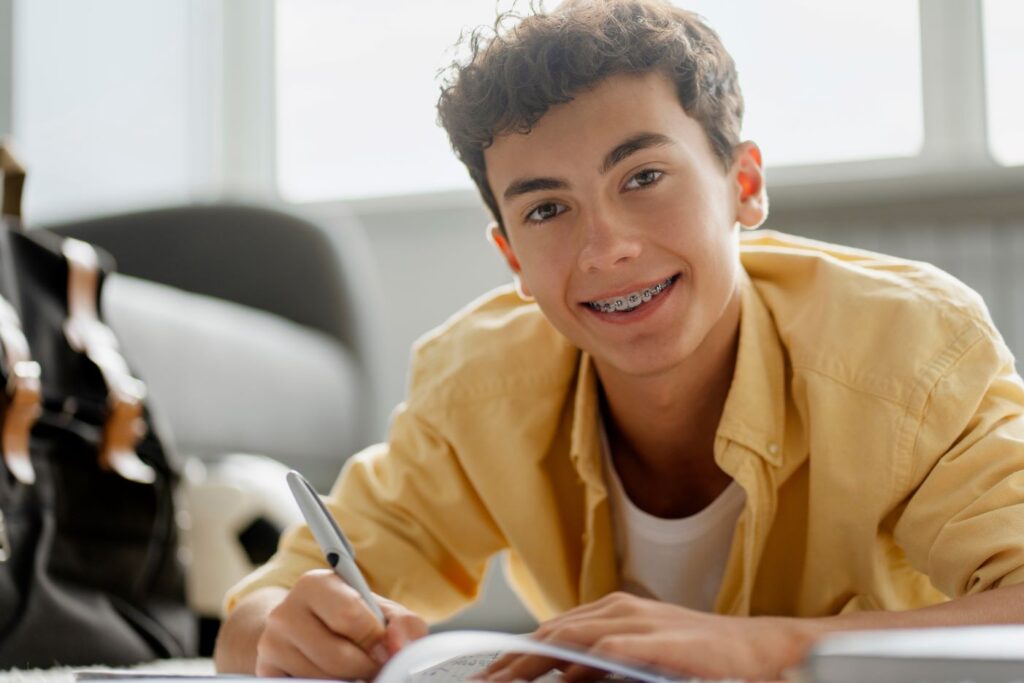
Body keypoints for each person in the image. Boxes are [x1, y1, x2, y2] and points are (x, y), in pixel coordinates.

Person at [213, 1, 1024, 680]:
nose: (606, 250)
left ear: (743, 185)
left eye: (642, 178)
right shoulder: (478, 382)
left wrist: (774, 646)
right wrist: (281, 632)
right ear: (513, 260)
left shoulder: (910, 349)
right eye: (545, 209)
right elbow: (258, 608)